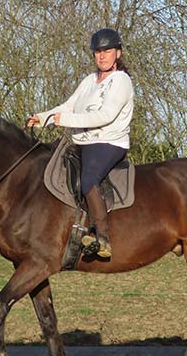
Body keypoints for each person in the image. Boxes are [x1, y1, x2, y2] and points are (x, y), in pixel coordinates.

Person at [27, 28, 134, 259]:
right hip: (83, 141)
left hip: (108, 142)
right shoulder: (89, 81)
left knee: (88, 178)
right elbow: (68, 106)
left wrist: (66, 120)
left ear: (118, 53)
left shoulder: (121, 81)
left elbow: (105, 115)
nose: (102, 56)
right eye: (97, 52)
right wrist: (43, 117)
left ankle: (103, 237)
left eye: (107, 51)